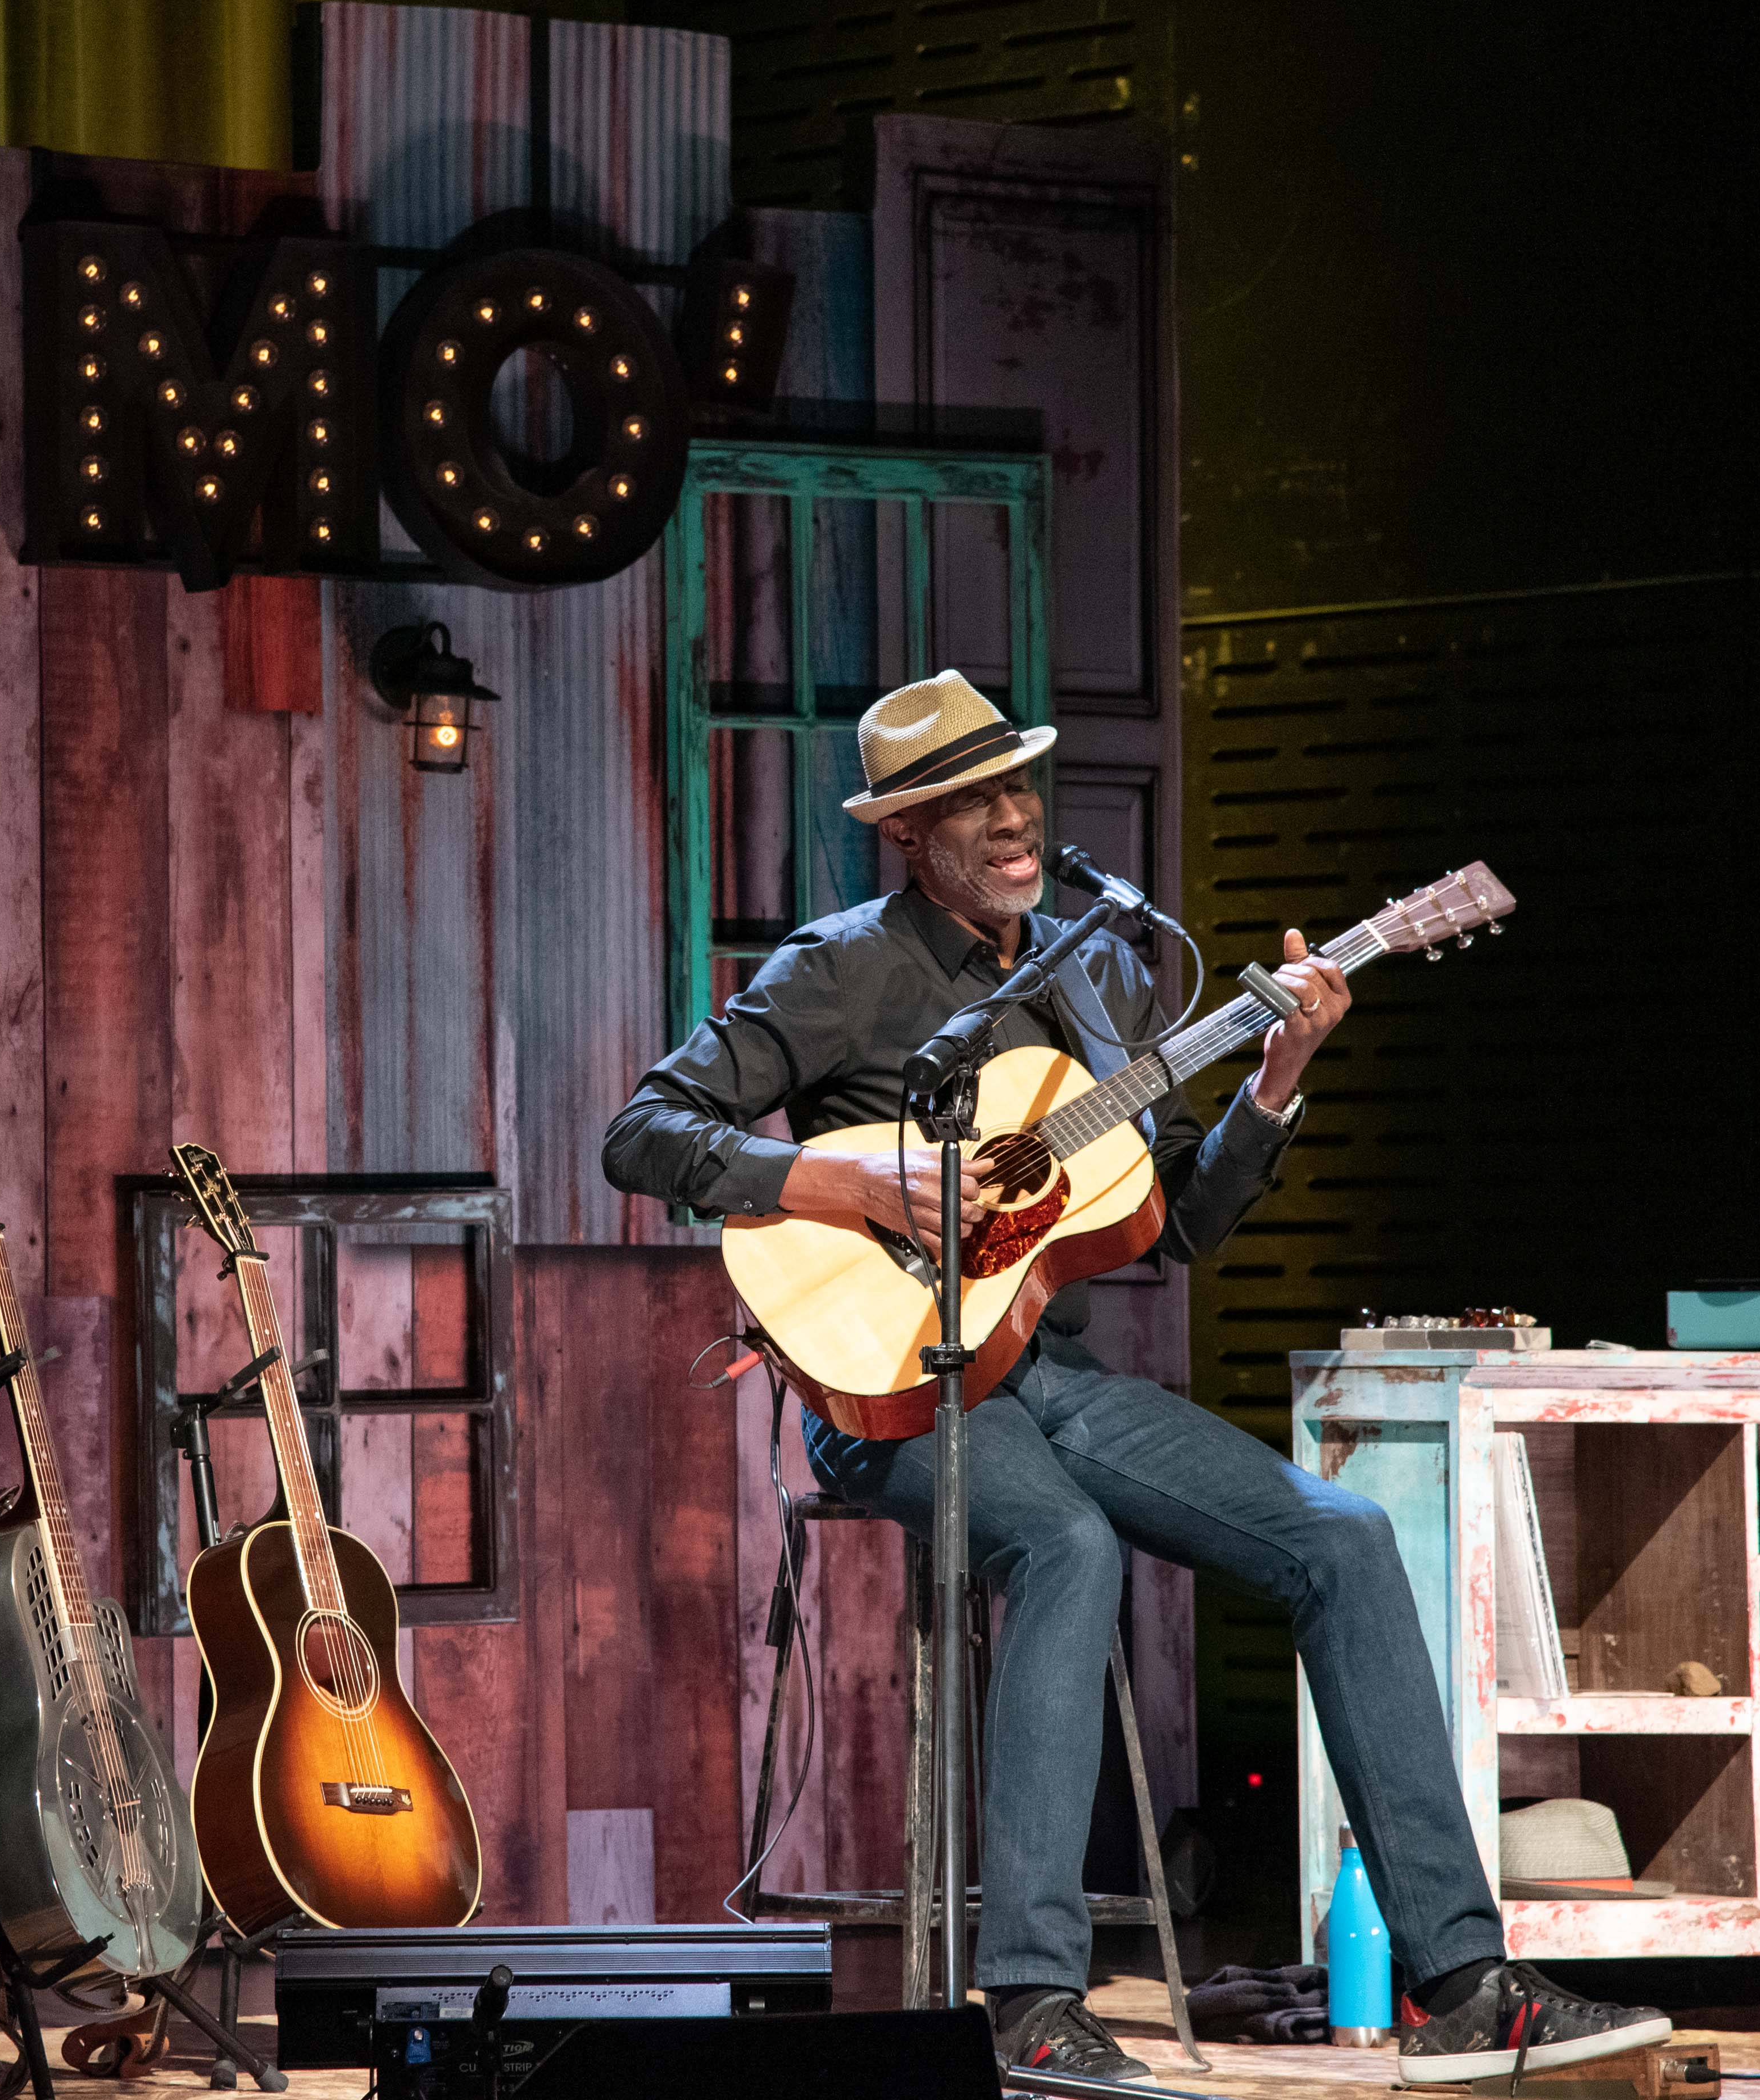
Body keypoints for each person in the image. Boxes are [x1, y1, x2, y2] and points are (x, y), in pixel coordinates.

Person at [603, 671, 1669, 2085]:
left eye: (1019, 786)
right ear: (907, 832)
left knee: (1340, 1538)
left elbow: (1169, 1218)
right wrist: (840, 1173)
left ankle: (1462, 1981)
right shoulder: (841, 965)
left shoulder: (1099, 967)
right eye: (973, 798)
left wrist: (1271, 1083)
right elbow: (642, 1128)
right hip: (889, 1390)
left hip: (1045, 1372)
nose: (1012, 816)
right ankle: (1032, 2005)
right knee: (1065, 1540)